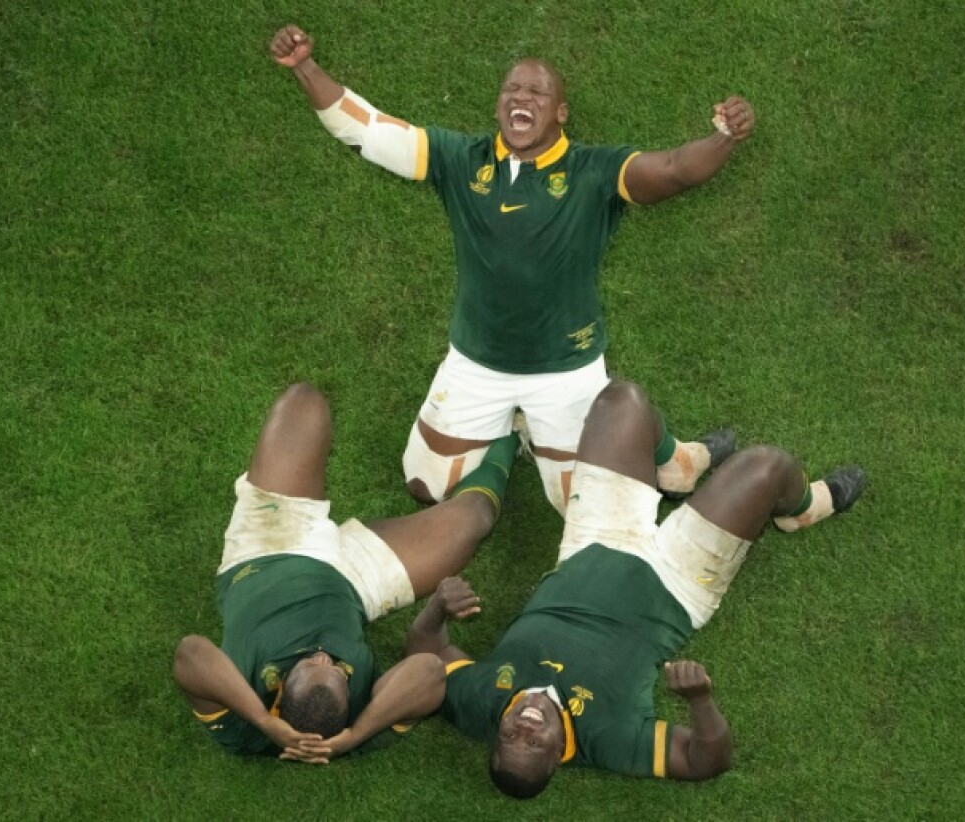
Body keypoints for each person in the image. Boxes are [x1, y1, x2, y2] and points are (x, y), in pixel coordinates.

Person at [270, 25, 754, 514]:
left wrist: (724, 138)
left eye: (538, 91)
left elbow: (672, 170)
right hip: (477, 363)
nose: (521, 97)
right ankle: (508, 436)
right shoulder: (461, 160)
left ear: (561, 112)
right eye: (512, 90)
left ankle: (679, 460)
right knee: (424, 485)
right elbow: (366, 129)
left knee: (583, 510)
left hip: (565, 370)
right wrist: (305, 67)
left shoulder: (595, 171)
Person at [406, 380, 866, 797]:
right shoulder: (609, 740)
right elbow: (706, 761)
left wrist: (438, 610)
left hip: (592, 543)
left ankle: (681, 468)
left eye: (510, 736)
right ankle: (804, 508)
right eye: (534, 741)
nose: (524, 725)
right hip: (677, 580)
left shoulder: (482, 701)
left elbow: (424, 651)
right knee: (767, 466)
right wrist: (700, 702)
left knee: (621, 401)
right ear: (559, 755)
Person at [172, 382, 519, 763]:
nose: (324, 656)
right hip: (354, 582)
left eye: (309, 666)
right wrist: (357, 734)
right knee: (472, 520)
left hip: (267, 547)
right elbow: (430, 672)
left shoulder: (244, 728)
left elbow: (190, 653)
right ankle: (512, 433)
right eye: (339, 671)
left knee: (305, 403)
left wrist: (261, 720)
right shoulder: (360, 722)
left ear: (282, 693)